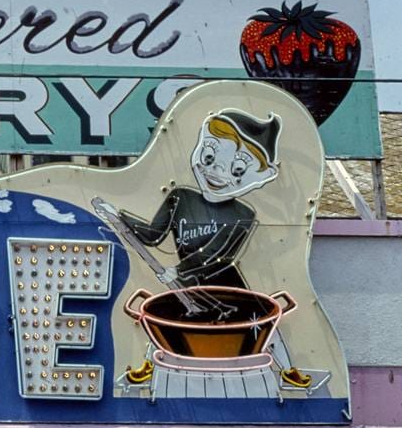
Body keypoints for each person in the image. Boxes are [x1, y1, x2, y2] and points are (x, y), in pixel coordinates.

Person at [94, 109, 311, 388]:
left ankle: (288, 370)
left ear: (263, 176)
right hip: (187, 281)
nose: (216, 171)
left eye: (238, 170)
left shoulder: (243, 214)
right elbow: (152, 235)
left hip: (226, 284)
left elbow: (216, 254)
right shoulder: (180, 198)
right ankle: (150, 363)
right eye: (209, 156)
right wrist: (119, 216)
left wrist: (178, 270)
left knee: (263, 323)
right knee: (165, 319)